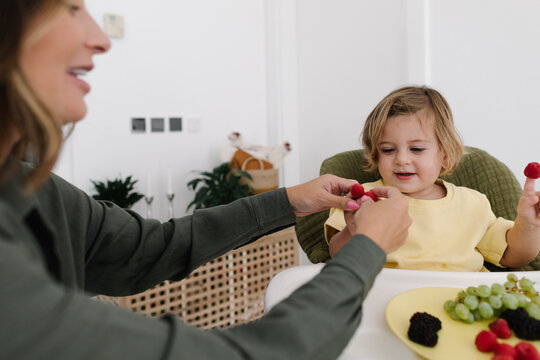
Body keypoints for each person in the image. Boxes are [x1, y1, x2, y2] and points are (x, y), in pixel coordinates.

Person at [0, 1, 412, 359]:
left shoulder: (30, 188)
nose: (101, 38)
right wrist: (367, 248)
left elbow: (151, 248)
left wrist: (288, 201)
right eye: (71, 8)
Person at [326, 85, 540, 272]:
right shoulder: (364, 199)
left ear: (445, 156)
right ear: (376, 156)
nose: (401, 159)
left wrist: (529, 225)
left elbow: (513, 256)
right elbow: (336, 255)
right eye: (388, 150)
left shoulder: (473, 204)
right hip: (387, 297)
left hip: (457, 303)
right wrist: (355, 230)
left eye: (416, 149)